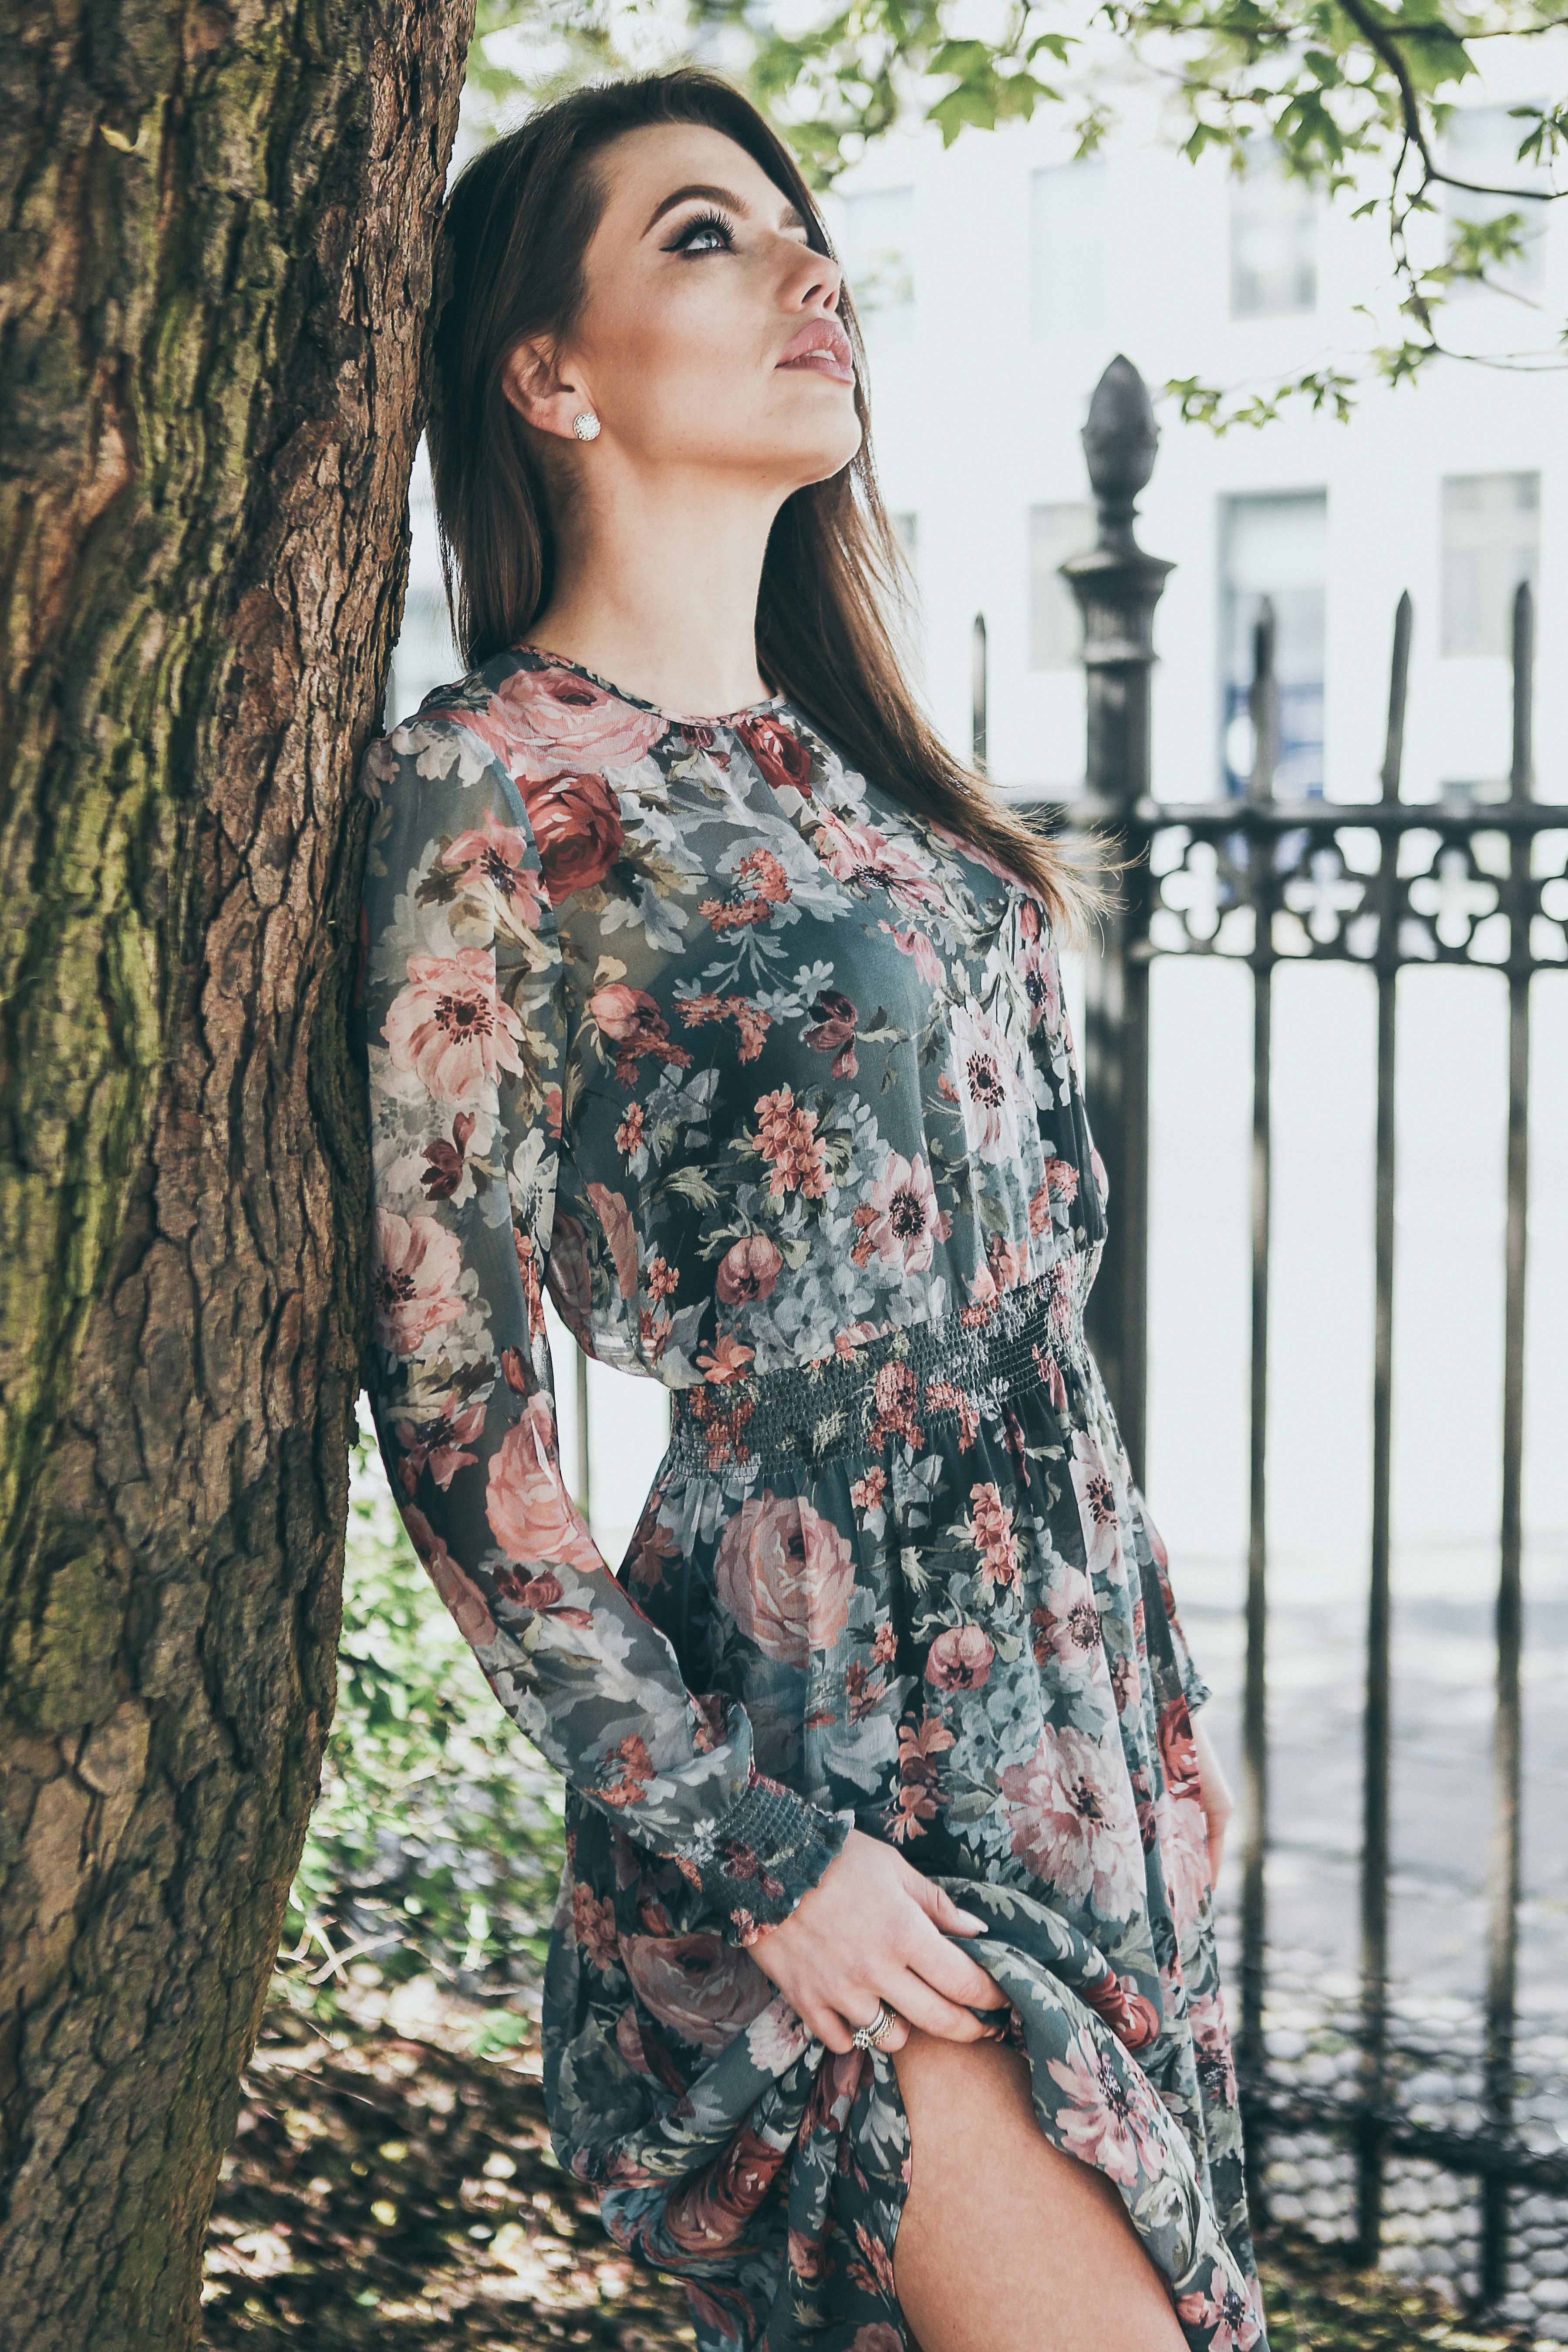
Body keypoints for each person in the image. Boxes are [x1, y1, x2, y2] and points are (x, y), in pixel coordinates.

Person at [354, 64, 1267, 2352]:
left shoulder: (867, 788)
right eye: (698, 235)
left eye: (797, 227)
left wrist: (1149, 1726)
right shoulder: (498, 785)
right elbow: (449, 1399)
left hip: (1079, 1733)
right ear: (544, 378)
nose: (801, 267)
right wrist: (753, 1854)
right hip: (820, 1768)